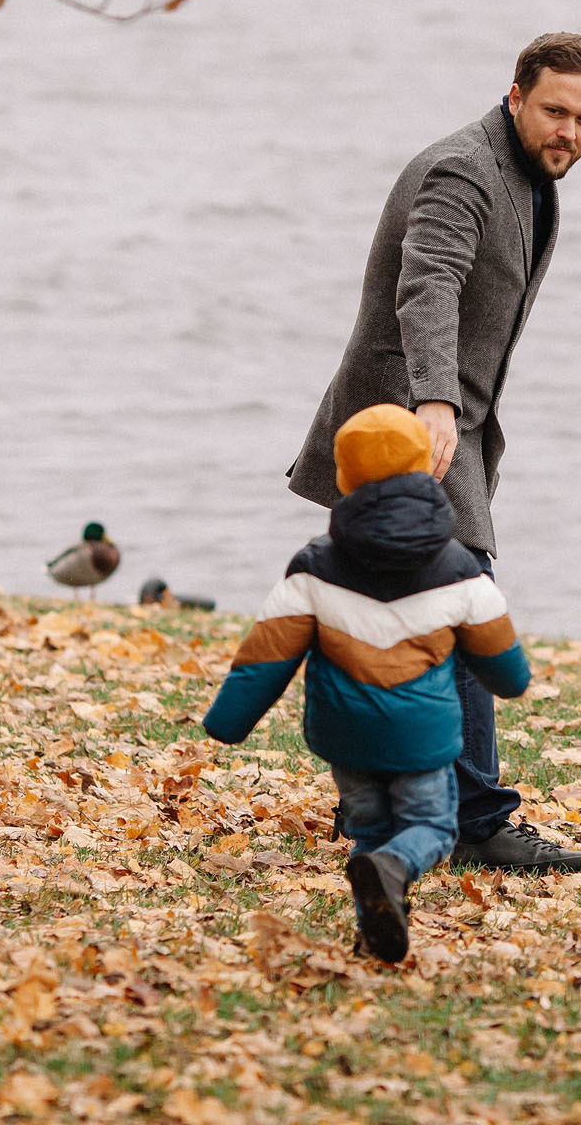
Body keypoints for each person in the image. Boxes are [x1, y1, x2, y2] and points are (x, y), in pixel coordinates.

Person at [288, 31, 581, 873]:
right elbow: (425, 283)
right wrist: (434, 399)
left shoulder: (533, 177)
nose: (568, 131)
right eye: (554, 110)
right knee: (463, 594)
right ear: (515, 95)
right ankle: (476, 816)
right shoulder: (464, 170)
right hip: (408, 417)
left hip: (450, 418)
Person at [205, 405, 531, 962]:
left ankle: (378, 930)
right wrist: (511, 679)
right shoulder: (458, 567)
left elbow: (264, 656)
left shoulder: (313, 566)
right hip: (421, 740)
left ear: (343, 479)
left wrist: (228, 722)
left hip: (346, 739)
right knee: (429, 827)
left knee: (372, 832)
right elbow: (504, 664)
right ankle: (394, 871)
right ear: (427, 467)